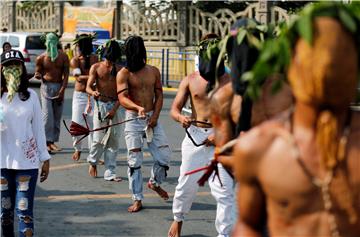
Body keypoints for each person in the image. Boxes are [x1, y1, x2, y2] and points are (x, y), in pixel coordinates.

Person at [232, 5, 360, 237]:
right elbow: (248, 225)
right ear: (292, 65)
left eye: (342, 57)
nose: (327, 69)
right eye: (316, 59)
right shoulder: (259, 147)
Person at [168, 34, 235, 237]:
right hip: (195, 136)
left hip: (220, 137)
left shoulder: (231, 81)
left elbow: (237, 114)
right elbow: (174, 109)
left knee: (225, 191)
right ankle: (178, 219)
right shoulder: (191, 80)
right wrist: (181, 118)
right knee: (185, 185)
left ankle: (224, 234)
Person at [116, 35, 171, 213]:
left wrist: (155, 115)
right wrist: (137, 107)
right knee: (135, 161)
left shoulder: (153, 71)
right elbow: (122, 98)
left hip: (151, 119)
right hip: (133, 119)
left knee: (164, 157)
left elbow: (160, 94)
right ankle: (137, 198)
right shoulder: (124, 73)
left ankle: (154, 183)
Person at [0, 49, 51, 237]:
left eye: (16, 65)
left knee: (24, 214)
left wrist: (45, 158)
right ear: (1, 69)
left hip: (26, 164)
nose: (12, 69)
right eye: (8, 66)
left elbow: (38, 129)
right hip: (2, 164)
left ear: (22, 68)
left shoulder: (31, 96)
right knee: (5, 214)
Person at [86, 39, 124, 181]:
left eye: (112, 60)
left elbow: (123, 94)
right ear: (104, 56)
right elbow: (88, 87)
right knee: (98, 138)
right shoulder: (96, 67)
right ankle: (93, 161)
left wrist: (114, 109)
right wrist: (93, 92)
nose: (109, 63)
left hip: (116, 106)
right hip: (100, 104)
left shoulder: (120, 70)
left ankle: (110, 172)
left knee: (114, 140)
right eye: (108, 60)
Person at [34, 32, 69, 153]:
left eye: (53, 41)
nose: (51, 44)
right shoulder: (41, 58)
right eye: (49, 42)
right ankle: (45, 142)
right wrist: (38, 75)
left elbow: (66, 75)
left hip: (59, 86)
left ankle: (52, 141)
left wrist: (62, 90)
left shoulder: (63, 57)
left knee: (56, 115)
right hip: (46, 87)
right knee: (47, 115)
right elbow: (37, 72)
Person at [70, 34, 98, 161]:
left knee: (93, 125)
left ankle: (93, 153)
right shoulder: (75, 60)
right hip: (80, 95)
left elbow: (83, 77)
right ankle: (78, 149)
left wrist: (89, 77)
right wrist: (92, 77)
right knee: (76, 123)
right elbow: (78, 78)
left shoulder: (95, 58)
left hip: (92, 94)